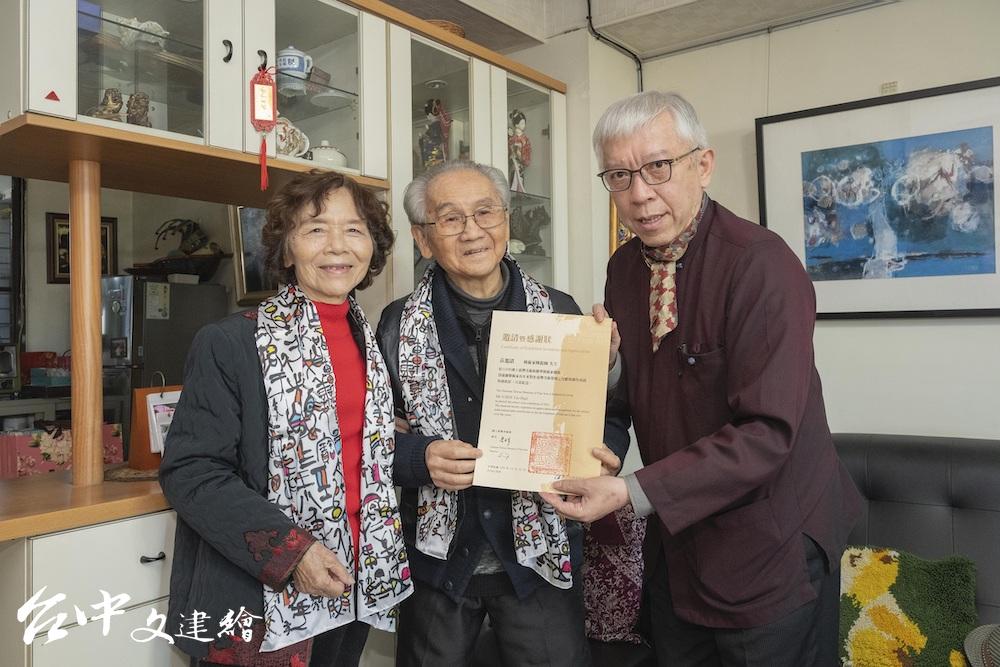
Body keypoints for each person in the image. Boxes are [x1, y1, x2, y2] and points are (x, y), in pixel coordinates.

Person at [541, 91, 862, 666]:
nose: (640, 193)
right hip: (679, 540)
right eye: (619, 176)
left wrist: (630, 492)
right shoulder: (624, 268)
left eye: (658, 167)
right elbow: (644, 391)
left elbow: (767, 432)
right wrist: (607, 371)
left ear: (703, 165)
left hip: (770, 540)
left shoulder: (762, 264)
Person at [376, 160, 629, 666]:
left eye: (485, 212)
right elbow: (369, 437)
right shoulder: (395, 324)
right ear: (423, 239)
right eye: (450, 218)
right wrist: (418, 458)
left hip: (540, 559)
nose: (472, 231)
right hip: (438, 560)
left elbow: (612, 413)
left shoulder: (560, 311)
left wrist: (601, 451)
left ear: (506, 222)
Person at [160, 171, 412, 667]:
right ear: (287, 248)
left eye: (354, 229)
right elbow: (192, 472)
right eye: (315, 229)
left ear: (373, 247)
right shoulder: (231, 343)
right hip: (258, 589)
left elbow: (365, 450)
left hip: (355, 581)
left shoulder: (372, 343)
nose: (337, 245)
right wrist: (294, 554)